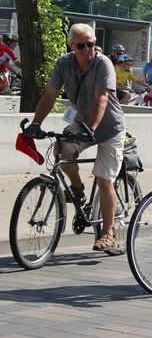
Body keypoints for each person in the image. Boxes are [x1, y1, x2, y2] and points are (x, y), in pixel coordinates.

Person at [22, 23, 126, 251]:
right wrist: (36, 123)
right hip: (81, 121)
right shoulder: (64, 63)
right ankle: (78, 190)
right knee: (62, 151)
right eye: (82, 45)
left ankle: (108, 233)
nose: (88, 49)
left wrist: (90, 128)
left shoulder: (103, 63)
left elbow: (102, 98)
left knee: (104, 179)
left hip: (109, 127)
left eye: (92, 44)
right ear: (71, 45)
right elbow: (49, 95)